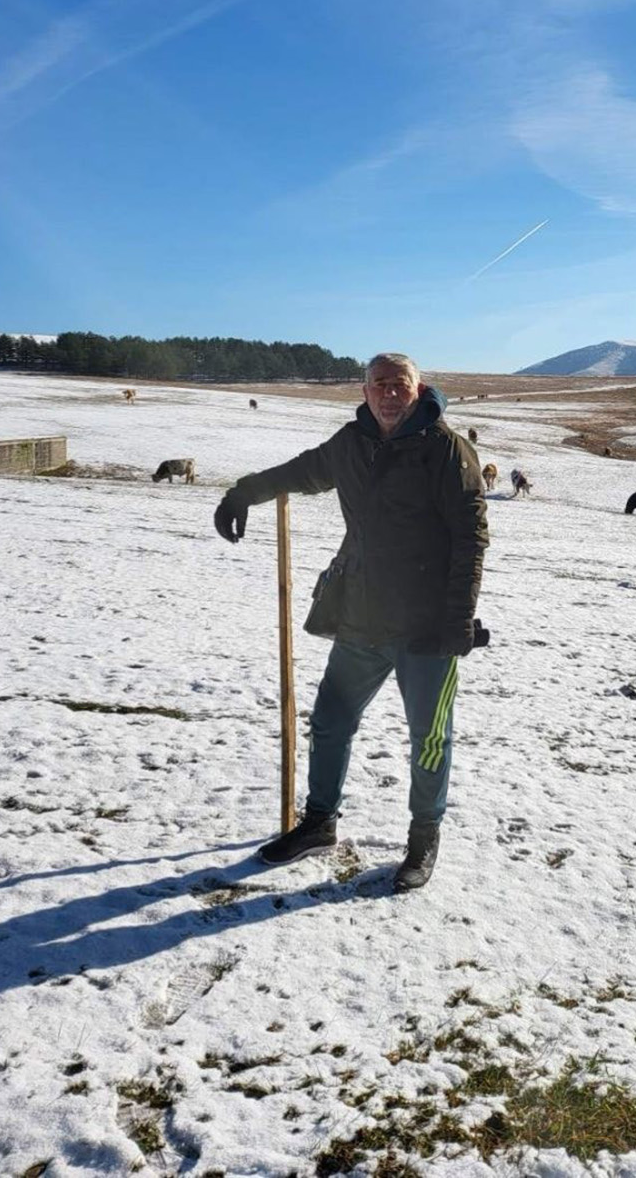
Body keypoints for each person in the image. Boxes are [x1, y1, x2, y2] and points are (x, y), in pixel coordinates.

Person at [214, 353, 488, 892]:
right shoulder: (350, 444)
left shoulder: (446, 449)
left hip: (427, 627)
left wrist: (458, 620)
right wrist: (243, 491)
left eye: (399, 385)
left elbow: (471, 538)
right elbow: (299, 471)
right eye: (379, 385)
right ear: (364, 392)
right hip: (362, 616)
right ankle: (319, 822)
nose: (389, 394)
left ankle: (423, 836)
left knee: (429, 738)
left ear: (419, 389)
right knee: (331, 720)